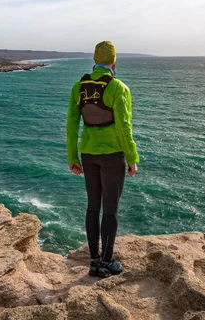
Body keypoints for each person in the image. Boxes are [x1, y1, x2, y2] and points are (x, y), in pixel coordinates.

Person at [66, 41, 139, 278]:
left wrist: (71, 157)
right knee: (110, 210)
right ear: (113, 62)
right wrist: (132, 158)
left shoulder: (79, 87)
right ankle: (107, 261)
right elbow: (124, 127)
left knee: (92, 207)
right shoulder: (119, 88)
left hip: (88, 154)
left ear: (94, 60)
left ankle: (94, 261)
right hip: (112, 156)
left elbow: (71, 124)